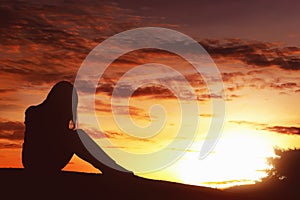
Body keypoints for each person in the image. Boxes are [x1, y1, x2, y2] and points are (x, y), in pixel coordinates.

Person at [22, 81, 131, 175]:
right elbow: (42, 139)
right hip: (36, 161)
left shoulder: (35, 112)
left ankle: (110, 166)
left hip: (37, 161)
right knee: (77, 135)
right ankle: (110, 167)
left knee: (77, 135)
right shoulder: (34, 113)